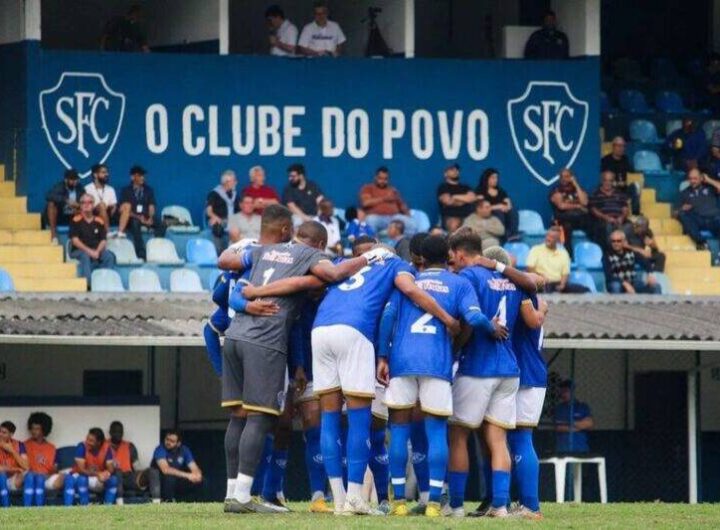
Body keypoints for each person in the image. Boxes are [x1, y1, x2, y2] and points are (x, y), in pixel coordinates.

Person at [217, 207, 378, 514]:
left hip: (235, 335)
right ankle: (240, 497)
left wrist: (249, 303)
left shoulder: (264, 250)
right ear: (319, 245)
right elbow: (333, 274)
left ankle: (230, 493)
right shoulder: (310, 256)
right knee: (259, 417)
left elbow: (230, 268)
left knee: (237, 416)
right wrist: (370, 257)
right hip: (264, 341)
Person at [377, 235, 506, 517]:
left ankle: (398, 501)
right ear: (447, 255)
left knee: (398, 429)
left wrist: (382, 357)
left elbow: (387, 318)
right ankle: (435, 502)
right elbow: (472, 318)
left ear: (419, 257)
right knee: (436, 431)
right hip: (437, 362)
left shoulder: (406, 281)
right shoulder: (459, 283)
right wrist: (491, 327)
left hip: (402, 360)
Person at [446, 239, 537, 518]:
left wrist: (455, 346)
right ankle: (499, 505)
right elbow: (535, 288)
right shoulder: (513, 280)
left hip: (478, 366)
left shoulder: (469, 276)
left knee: (458, 435)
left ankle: (457, 505)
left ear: (463, 255)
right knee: (498, 439)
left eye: (453, 258)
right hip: (509, 369)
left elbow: (469, 321)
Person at [507, 287, 548, 519]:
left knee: (521, 438)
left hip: (526, 376)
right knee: (517, 439)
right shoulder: (538, 307)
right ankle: (520, 503)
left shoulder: (526, 306)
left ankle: (531, 506)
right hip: (534, 375)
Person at [69, 194, 116, 287]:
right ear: (80, 205)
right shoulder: (75, 220)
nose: (86, 205)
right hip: (79, 251)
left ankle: (104, 281)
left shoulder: (99, 221)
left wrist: (97, 251)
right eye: (83, 203)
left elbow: (103, 240)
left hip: (96, 250)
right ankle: (89, 285)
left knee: (109, 256)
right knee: (85, 255)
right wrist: (90, 252)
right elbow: (75, 241)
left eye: (89, 202)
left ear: (93, 205)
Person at [23, 412, 69, 507]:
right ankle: (30, 508)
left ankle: (67, 507)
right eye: (32, 428)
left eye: (37, 429)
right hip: (30, 478)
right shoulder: (24, 445)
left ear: (44, 430)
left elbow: (54, 468)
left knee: (67, 477)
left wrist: (52, 472)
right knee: (34, 478)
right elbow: (23, 467)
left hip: (47, 478)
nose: (34, 431)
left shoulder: (51, 448)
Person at [526, 228, 589, 294]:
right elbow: (530, 268)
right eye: (548, 236)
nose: (548, 239)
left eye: (552, 237)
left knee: (584, 290)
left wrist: (562, 284)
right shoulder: (536, 250)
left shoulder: (563, 253)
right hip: (541, 283)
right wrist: (540, 277)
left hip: (557, 283)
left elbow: (565, 273)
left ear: (558, 240)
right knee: (542, 288)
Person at [117, 165, 158, 260]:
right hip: (133, 217)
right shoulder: (126, 191)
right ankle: (141, 253)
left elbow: (151, 206)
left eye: (143, 176)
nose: (142, 178)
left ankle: (156, 249)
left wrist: (151, 218)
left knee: (161, 224)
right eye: (139, 175)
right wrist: (140, 218)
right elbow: (124, 210)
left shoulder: (149, 190)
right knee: (135, 223)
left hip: (146, 216)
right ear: (132, 177)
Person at [148, 430, 203, 502]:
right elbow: (165, 470)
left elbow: (193, 466)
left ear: (178, 443)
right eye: (167, 439)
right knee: (170, 478)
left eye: (172, 441)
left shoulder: (184, 450)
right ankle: (168, 502)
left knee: (201, 481)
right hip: (160, 480)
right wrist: (188, 475)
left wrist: (197, 475)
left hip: (178, 478)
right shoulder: (160, 449)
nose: (168, 442)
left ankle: (195, 502)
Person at [359, 166, 414, 235]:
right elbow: (365, 203)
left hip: (394, 217)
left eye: (385, 179)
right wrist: (384, 198)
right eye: (380, 178)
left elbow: (402, 205)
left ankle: (406, 244)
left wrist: (408, 215)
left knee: (412, 224)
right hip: (377, 218)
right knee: (370, 220)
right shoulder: (368, 188)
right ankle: (374, 244)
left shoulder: (392, 190)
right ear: (375, 177)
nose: (383, 181)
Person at [549, 168, 590, 258]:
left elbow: (585, 202)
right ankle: (569, 257)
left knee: (592, 221)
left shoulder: (577, 189)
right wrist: (578, 206)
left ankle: (590, 254)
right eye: (562, 177)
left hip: (578, 219)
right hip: (562, 219)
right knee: (567, 225)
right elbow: (561, 206)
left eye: (567, 176)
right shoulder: (556, 190)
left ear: (572, 177)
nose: (564, 179)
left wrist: (576, 185)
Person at [72, 428, 118, 505]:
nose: (87, 442)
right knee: (81, 479)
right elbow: (81, 470)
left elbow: (111, 468)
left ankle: (108, 506)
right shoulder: (81, 446)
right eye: (87, 439)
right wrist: (98, 474)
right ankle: (84, 506)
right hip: (82, 478)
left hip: (98, 478)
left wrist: (106, 474)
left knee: (113, 480)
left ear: (99, 442)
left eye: (91, 441)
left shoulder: (106, 448)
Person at [678, 168, 720, 249]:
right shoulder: (684, 192)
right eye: (690, 178)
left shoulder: (710, 188)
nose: (692, 181)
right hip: (698, 220)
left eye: (695, 178)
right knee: (683, 215)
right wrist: (682, 208)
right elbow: (675, 213)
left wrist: (709, 180)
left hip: (714, 219)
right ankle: (702, 243)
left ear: (701, 178)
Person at [589, 171, 630, 249]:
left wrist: (622, 217)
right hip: (603, 221)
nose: (607, 183)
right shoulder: (595, 194)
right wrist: (606, 218)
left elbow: (625, 208)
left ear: (613, 182)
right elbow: (594, 210)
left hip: (619, 220)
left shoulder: (620, 194)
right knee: (607, 226)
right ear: (601, 181)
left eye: (610, 181)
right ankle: (611, 250)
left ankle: (629, 250)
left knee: (630, 226)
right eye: (605, 180)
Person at [476, 168, 519, 241]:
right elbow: (481, 207)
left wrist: (506, 207)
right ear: (486, 178)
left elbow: (508, 203)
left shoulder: (501, 191)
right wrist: (498, 206)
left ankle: (512, 234)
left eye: (496, 178)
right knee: (499, 213)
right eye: (493, 177)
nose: (495, 180)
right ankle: (501, 236)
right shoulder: (480, 191)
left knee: (512, 211)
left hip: (503, 212)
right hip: (489, 214)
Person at [105, 421, 142, 505]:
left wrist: (140, 474)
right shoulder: (104, 445)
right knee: (117, 473)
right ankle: (120, 502)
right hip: (111, 477)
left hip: (127, 477)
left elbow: (137, 466)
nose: (118, 434)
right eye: (115, 431)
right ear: (110, 432)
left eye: (120, 432)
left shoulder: (129, 446)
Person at [601, 137, 639, 215]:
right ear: (614, 147)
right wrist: (615, 183)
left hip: (623, 189)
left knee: (635, 186)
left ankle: (636, 213)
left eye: (623, 146)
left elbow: (633, 172)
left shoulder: (625, 159)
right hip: (611, 189)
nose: (622, 148)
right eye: (619, 146)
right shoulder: (606, 160)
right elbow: (603, 177)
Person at [553, 380, 594, 453]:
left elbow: (589, 424)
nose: (564, 394)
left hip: (580, 447)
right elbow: (559, 427)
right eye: (562, 391)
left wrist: (570, 424)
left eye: (566, 391)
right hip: (563, 448)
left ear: (572, 391)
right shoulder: (559, 408)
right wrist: (580, 425)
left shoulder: (582, 406)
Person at [44, 168, 83, 243]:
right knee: (51, 204)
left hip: (74, 214)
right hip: (61, 215)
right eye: (72, 179)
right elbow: (49, 196)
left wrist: (78, 206)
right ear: (66, 180)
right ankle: (54, 235)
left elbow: (84, 198)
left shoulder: (79, 187)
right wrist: (66, 200)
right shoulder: (60, 186)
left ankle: (85, 237)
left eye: (76, 179)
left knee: (86, 207)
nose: (75, 182)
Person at [207, 170, 240, 253]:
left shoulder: (235, 195)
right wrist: (216, 218)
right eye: (234, 181)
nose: (236, 183)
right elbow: (209, 211)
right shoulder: (214, 194)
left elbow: (239, 211)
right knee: (217, 226)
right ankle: (219, 254)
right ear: (226, 182)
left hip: (233, 221)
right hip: (220, 221)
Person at [437, 163, 476, 232]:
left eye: (457, 170)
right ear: (445, 174)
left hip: (468, 216)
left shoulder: (465, 187)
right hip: (450, 217)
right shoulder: (443, 187)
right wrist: (465, 200)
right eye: (452, 169)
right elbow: (448, 201)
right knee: (454, 224)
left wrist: (455, 197)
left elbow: (472, 198)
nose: (455, 171)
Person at [0, 421, 28, 508]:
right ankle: (6, 506)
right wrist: (14, 469)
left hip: (13, 479)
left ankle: (28, 507)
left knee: (29, 475)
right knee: (2, 476)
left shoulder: (20, 445)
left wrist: (12, 451)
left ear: (11, 434)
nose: (0, 434)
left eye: (4, 432)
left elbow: (25, 466)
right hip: (2, 478)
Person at [83, 163, 118, 229]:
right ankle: (107, 233)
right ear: (95, 175)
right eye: (103, 172)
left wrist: (109, 207)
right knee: (101, 205)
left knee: (104, 206)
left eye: (107, 172)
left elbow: (114, 206)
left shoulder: (110, 189)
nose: (107, 174)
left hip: (108, 213)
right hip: (93, 213)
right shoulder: (87, 189)